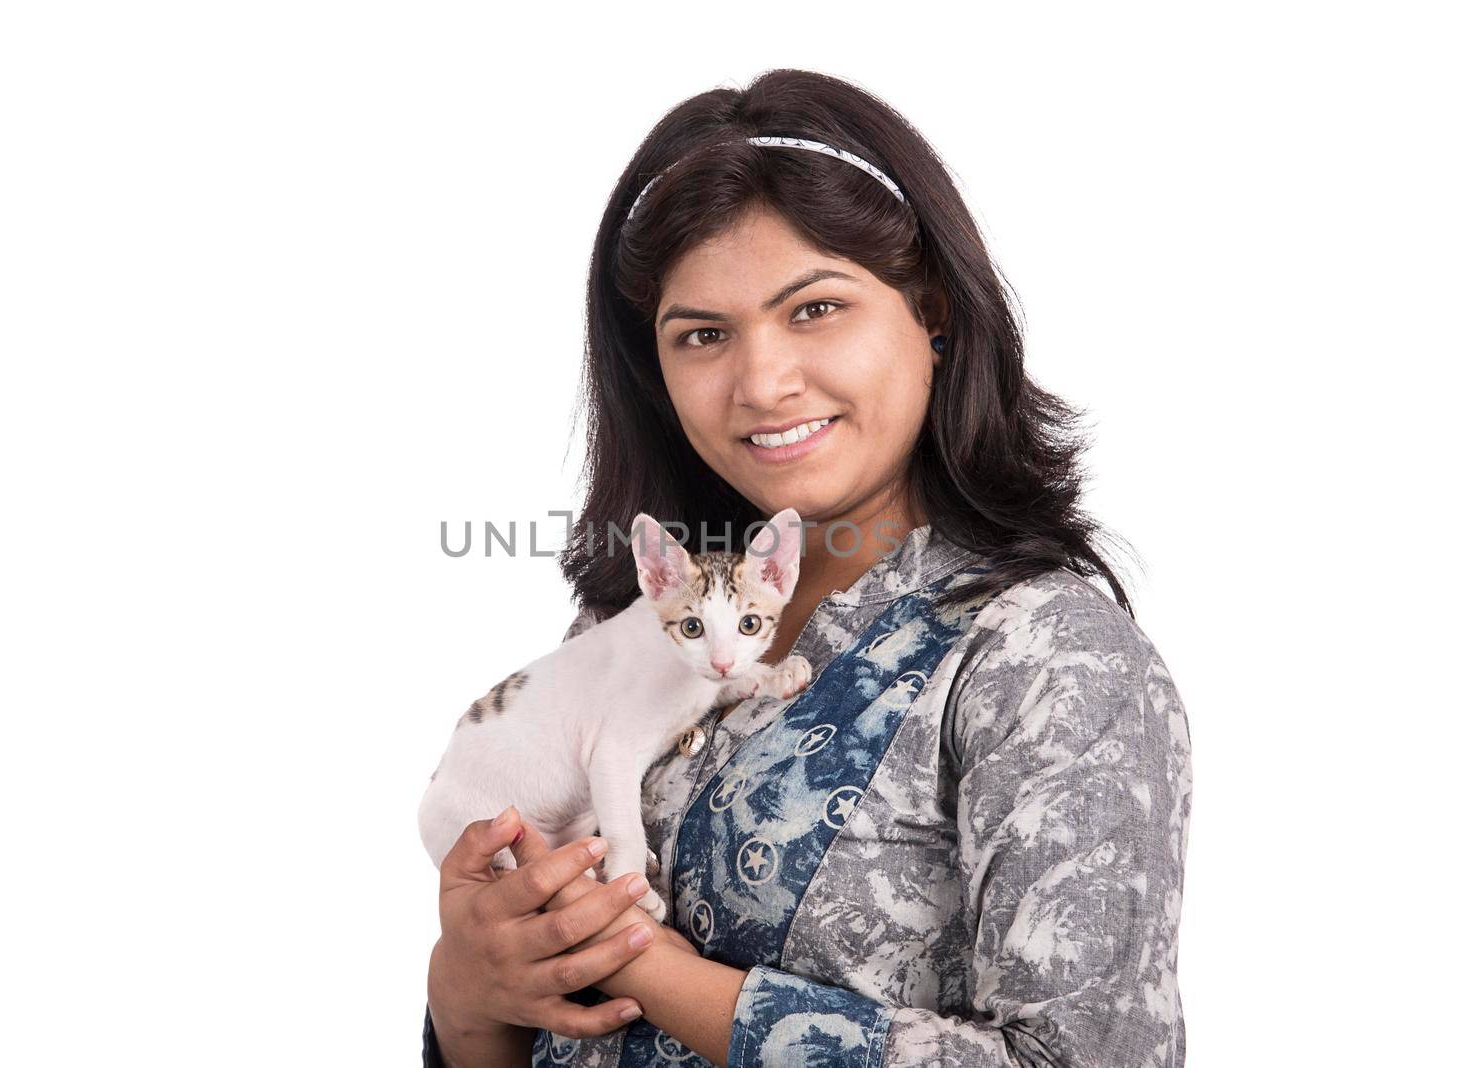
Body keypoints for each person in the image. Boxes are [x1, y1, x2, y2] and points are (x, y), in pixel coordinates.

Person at [422, 68, 1193, 1068]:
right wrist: (470, 998)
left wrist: (651, 970)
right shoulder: (650, 622)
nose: (761, 384)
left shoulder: (1046, 660)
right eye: (701, 334)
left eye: (814, 309)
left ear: (933, 311)